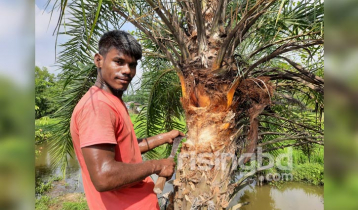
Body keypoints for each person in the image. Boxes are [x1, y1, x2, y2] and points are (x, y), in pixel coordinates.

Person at [70, 30, 184, 210]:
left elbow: (125, 149)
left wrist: (164, 137)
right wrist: (157, 165)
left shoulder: (112, 100)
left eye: (132, 65)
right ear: (99, 60)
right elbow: (103, 176)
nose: (127, 71)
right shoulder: (98, 107)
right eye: (119, 62)